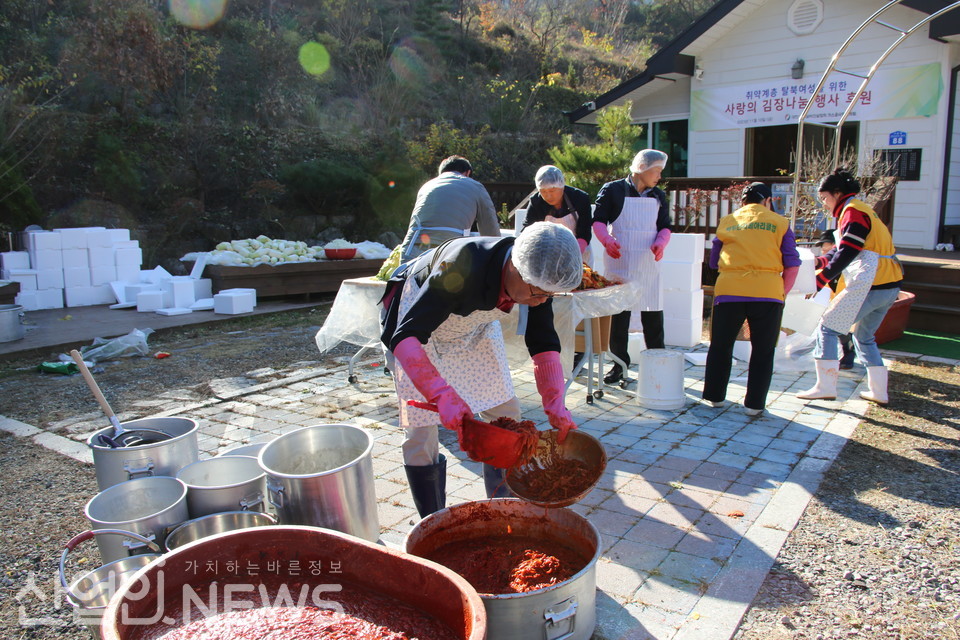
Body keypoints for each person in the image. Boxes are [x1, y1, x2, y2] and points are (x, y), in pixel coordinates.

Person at [380, 221, 582, 518]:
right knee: (420, 435)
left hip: (471, 330)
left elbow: (542, 340)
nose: (540, 301)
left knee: (507, 414)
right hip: (414, 333)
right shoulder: (462, 264)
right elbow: (405, 335)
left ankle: (503, 511)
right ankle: (432, 521)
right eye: (536, 293)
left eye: (548, 296)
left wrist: (554, 402)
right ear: (513, 267)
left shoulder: (537, 271)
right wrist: (441, 394)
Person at [797, 169, 903, 405]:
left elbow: (848, 250)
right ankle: (879, 392)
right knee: (864, 336)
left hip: (872, 285)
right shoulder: (862, 209)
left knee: (827, 327)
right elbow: (842, 247)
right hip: (889, 285)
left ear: (837, 193)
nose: (824, 204)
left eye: (824, 198)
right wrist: (821, 261)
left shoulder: (852, 211)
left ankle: (824, 386)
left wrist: (821, 278)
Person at [702, 182, 801, 416]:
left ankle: (714, 397)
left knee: (720, 346)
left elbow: (714, 261)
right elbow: (792, 263)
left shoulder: (728, 221)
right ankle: (754, 405)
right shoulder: (780, 223)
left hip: (729, 291)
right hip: (767, 293)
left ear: (743, 202)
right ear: (767, 201)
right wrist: (781, 293)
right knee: (763, 350)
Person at [592, 149, 673, 384]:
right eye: (656, 171)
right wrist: (607, 241)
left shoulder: (658, 195)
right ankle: (619, 366)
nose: (658, 176)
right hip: (620, 260)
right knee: (619, 316)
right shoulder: (613, 190)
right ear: (642, 169)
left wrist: (661, 243)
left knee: (653, 314)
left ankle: (660, 365)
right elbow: (598, 221)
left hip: (648, 262)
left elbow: (665, 226)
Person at [397, 155, 500, 262]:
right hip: (451, 248)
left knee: (408, 278)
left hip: (413, 246)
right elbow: (490, 229)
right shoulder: (475, 186)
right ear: (468, 173)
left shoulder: (427, 185)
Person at [522, 165, 593, 255]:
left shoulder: (580, 198)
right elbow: (528, 229)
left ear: (562, 187)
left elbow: (584, 232)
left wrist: (575, 254)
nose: (548, 196)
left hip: (579, 251)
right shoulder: (536, 202)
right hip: (548, 252)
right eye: (543, 192)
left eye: (552, 191)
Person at [816, 229, 856, 370]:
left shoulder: (845, 259)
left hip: (846, 299)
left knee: (836, 327)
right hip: (831, 302)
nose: (822, 249)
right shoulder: (827, 263)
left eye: (824, 244)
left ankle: (838, 359)